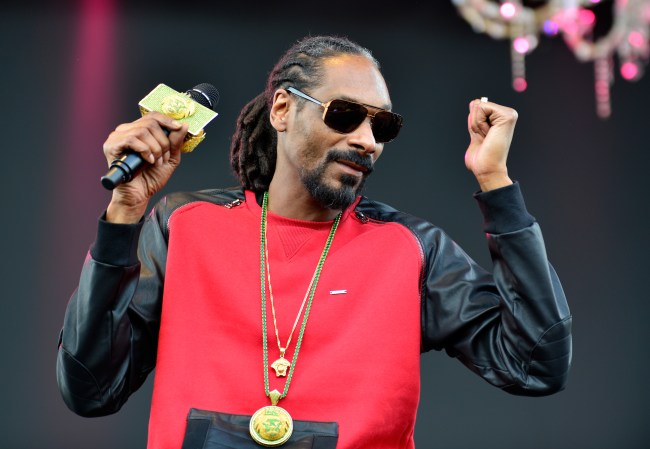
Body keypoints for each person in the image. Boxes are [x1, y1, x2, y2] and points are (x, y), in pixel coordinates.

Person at [57, 35, 572, 449]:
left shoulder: (411, 247)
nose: (367, 140)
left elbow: (534, 364)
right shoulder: (184, 223)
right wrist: (124, 213)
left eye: (383, 126)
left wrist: (496, 183)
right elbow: (90, 388)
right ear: (283, 109)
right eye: (344, 114)